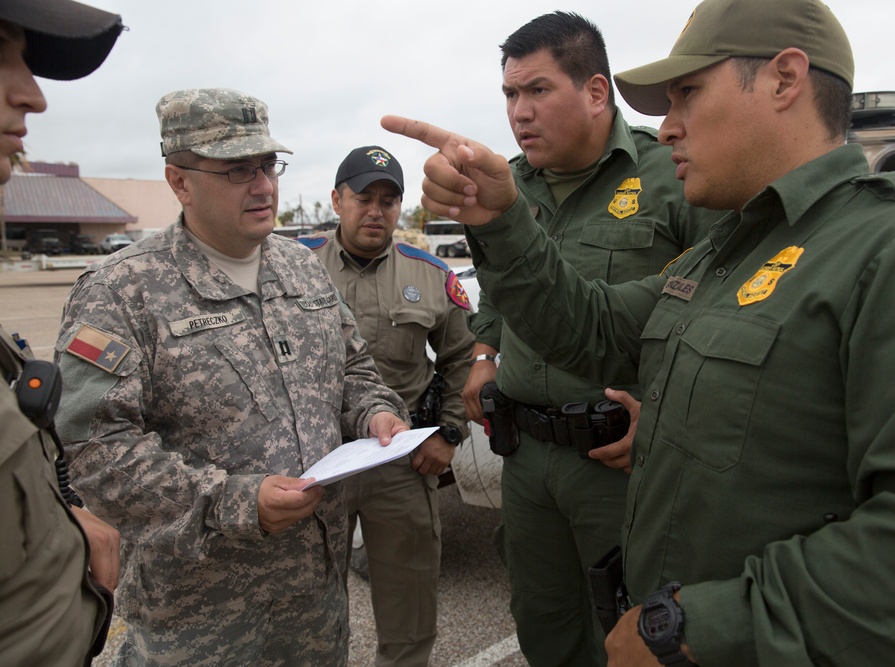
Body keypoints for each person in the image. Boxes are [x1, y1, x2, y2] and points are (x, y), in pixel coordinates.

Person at [382, 0, 895, 663]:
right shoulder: (723, 257)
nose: (666, 126)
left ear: (785, 80)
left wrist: (692, 629)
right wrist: (500, 216)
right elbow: (586, 327)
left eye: (687, 95)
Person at [53, 88, 410, 666]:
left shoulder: (300, 267)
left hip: (315, 607)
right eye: (237, 170)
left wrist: (374, 412)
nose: (264, 185)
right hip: (198, 624)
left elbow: (352, 369)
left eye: (268, 164)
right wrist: (233, 501)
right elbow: (95, 452)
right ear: (180, 181)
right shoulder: (121, 291)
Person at [455, 12, 716, 666]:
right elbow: (499, 290)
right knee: (543, 623)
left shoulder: (673, 174)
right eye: (510, 94)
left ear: (596, 92)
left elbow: (719, 307)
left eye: (538, 90)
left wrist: (665, 417)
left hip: (619, 462)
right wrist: (485, 353)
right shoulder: (508, 187)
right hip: (526, 456)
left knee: (636, 629)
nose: (520, 111)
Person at [299, 145, 475, 666]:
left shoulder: (430, 275)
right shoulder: (293, 268)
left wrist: (448, 434)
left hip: (399, 460)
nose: (376, 210)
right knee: (302, 604)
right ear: (337, 199)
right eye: (363, 197)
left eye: (389, 200)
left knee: (410, 603)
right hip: (313, 462)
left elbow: (462, 356)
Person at [0, 1, 124, 664]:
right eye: (1, 49)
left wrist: (53, 527)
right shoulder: (117, 285)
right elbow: (104, 436)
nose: (34, 95)